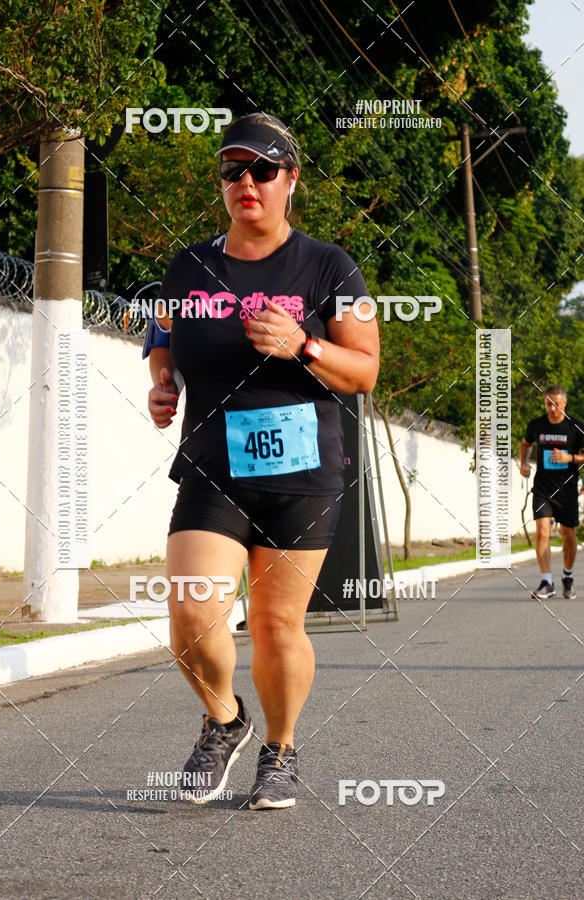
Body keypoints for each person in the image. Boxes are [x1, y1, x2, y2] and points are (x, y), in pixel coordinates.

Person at [145, 113, 379, 809]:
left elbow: (364, 370)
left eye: (263, 169)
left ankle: (280, 748)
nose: (246, 182)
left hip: (300, 470)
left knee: (278, 625)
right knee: (192, 615)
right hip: (214, 462)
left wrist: (303, 345)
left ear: (290, 180)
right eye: (232, 170)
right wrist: (163, 382)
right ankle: (225, 722)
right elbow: (166, 331)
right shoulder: (191, 265)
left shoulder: (329, 266)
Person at [520, 385, 584, 600]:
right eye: (549, 403)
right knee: (542, 532)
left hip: (567, 490)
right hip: (543, 488)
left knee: (569, 536)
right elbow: (525, 444)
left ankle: (567, 576)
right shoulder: (536, 424)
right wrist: (524, 463)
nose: (553, 407)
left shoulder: (575, 426)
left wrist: (570, 459)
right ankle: (547, 581)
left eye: (557, 403)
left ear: (564, 402)